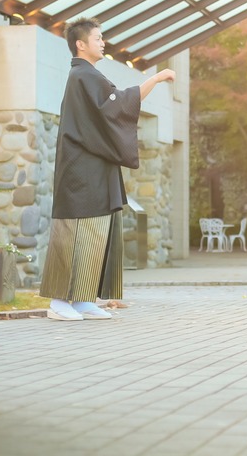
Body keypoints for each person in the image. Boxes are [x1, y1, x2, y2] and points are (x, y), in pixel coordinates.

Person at [39, 17, 175, 321]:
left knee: (96, 231)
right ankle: (60, 302)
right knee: (74, 231)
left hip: (92, 167)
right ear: (80, 44)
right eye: (98, 38)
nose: (103, 42)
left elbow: (114, 109)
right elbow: (120, 106)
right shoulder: (83, 76)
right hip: (80, 171)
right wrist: (156, 78)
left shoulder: (88, 76)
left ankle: (84, 299)